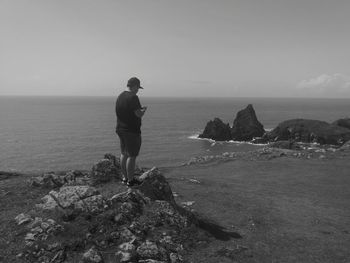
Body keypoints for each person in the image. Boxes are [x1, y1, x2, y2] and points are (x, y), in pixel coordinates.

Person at [115, 77, 147, 186]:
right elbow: (138, 114)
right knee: (132, 156)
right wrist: (143, 110)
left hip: (120, 129)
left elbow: (126, 110)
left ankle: (125, 178)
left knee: (124, 153)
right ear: (134, 86)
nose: (138, 90)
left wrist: (138, 109)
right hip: (131, 131)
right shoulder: (133, 97)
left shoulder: (120, 96)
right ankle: (131, 180)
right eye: (138, 87)